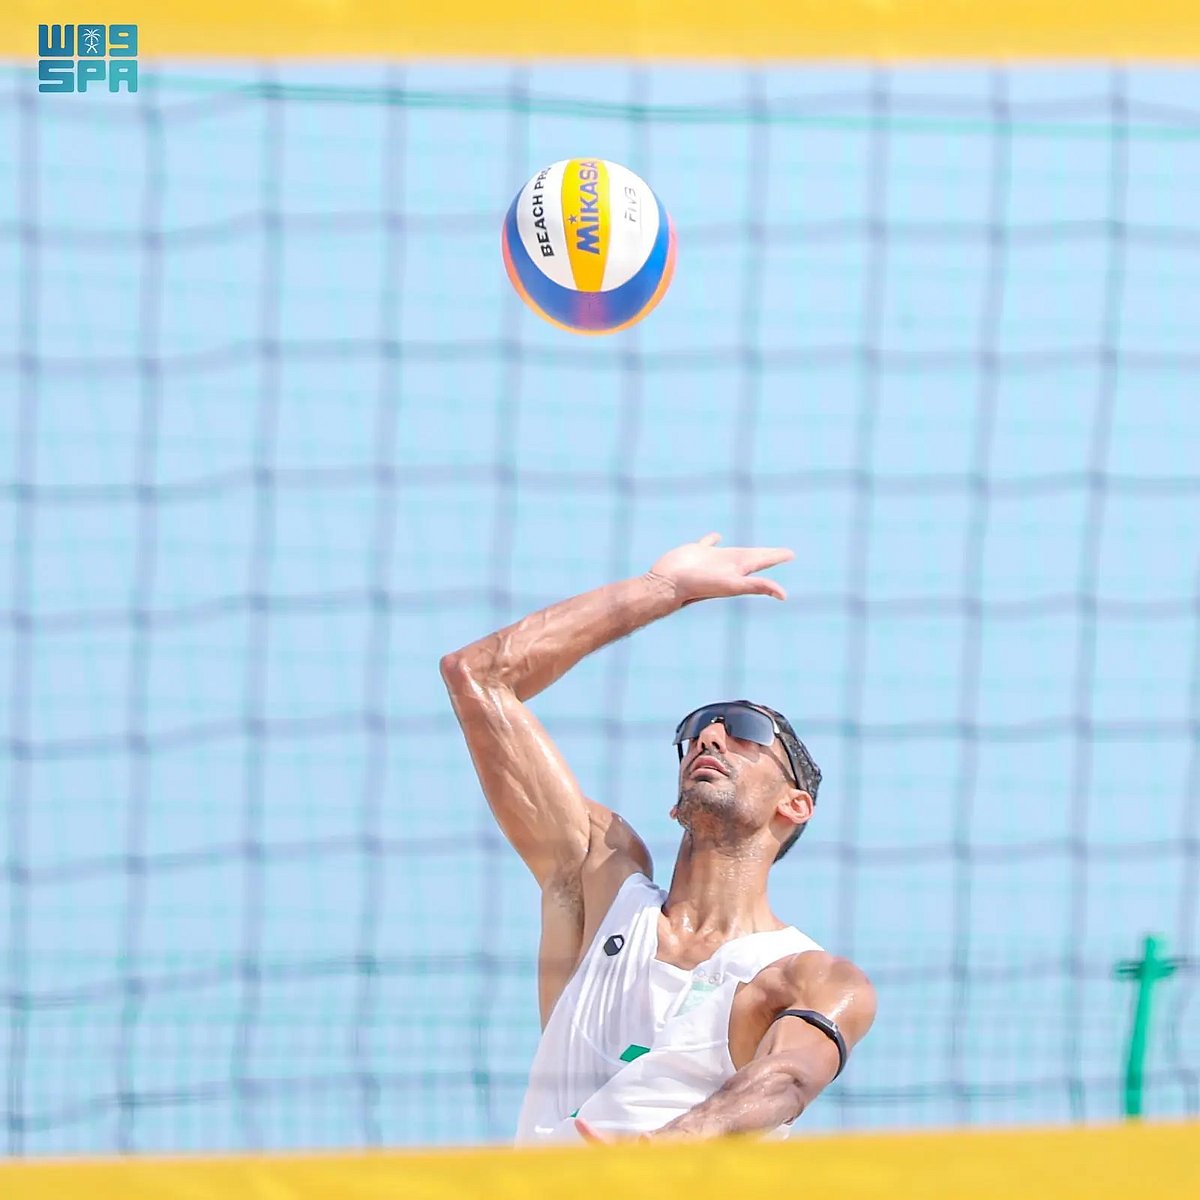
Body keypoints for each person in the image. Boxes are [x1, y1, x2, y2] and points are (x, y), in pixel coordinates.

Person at [439, 533, 876, 1143]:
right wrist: (664, 588)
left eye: (746, 730)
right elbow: (478, 676)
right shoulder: (600, 881)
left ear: (794, 804)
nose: (711, 737)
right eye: (697, 729)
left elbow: (787, 1081)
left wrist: (657, 1152)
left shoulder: (811, 977)